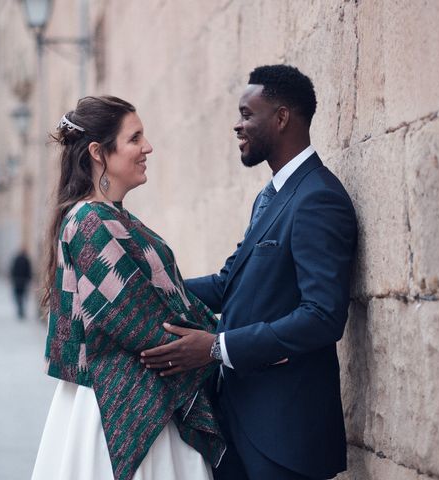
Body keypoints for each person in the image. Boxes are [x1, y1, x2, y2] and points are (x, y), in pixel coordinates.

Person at [141, 65, 358, 480]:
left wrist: (216, 347)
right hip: (238, 421)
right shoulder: (270, 196)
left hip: (285, 436)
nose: (237, 126)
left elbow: (323, 317)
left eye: (246, 114)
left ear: (280, 118)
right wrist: (148, 288)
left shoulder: (318, 199)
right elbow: (229, 285)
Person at [32, 96, 225, 480]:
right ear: (98, 153)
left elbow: (164, 301)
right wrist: (223, 343)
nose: (147, 147)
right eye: (135, 138)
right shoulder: (89, 222)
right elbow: (141, 319)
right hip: (120, 404)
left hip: (142, 394)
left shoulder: (112, 218)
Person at [9, 249, 32, 319]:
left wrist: (12, 278)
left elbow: (12, 269)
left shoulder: (16, 259)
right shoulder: (26, 260)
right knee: (23, 295)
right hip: (24, 281)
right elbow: (29, 270)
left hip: (17, 280)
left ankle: (20, 309)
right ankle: (21, 309)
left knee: (18, 295)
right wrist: (29, 279)